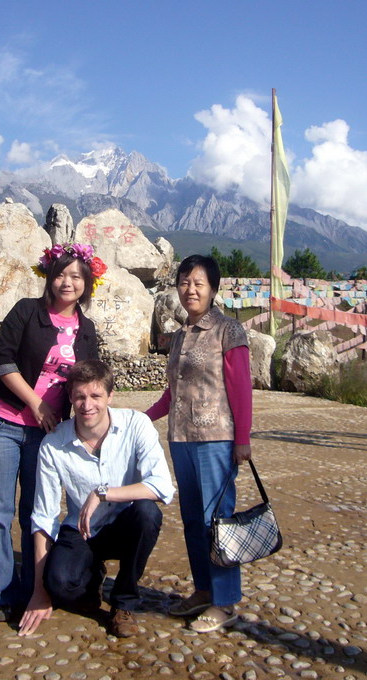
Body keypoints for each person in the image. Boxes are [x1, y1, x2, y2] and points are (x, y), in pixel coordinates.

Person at [0, 243, 105, 622]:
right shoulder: (26, 312)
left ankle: (33, 587)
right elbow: (2, 362)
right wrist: (36, 403)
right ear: (49, 276)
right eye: (62, 274)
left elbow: (90, 382)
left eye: (77, 276)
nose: (68, 282)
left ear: (87, 284)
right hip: (2, 421)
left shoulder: (87, 329)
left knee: (36, 512)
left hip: (47, 434)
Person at [18, 359, 175, 638]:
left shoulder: (136, 425)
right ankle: (91, 577)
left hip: (125, 524)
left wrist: (103, 493)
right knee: (60, 585)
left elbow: (162, 486)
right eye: (79, 396)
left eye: (95, 396)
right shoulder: (54, 443)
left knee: (147, 513)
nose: (87, 405)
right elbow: (43, 516)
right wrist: (40, 591)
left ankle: (123, 602)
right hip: (81, 529)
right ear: (70, 398)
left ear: (110, 396)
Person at [145, 254, 252, 633]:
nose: (190, 289)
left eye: (199, 283)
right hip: (181, 440)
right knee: (193, 521)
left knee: (217, 523)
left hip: (217, 440)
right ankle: (204, 590)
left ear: (213, 289)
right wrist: (141, 418)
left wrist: (243, 439)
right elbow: (173, 392)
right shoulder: (179, 337)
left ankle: (225, 602)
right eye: (185, 282)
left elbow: (241, 389)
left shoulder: (229, 331)